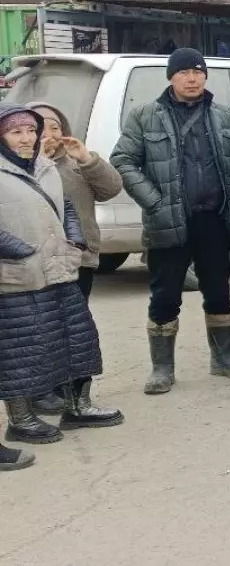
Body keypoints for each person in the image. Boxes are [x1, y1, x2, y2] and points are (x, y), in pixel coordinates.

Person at [111, 48, 230, 395]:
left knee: (219, 292)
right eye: (184, 72)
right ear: (170, 77)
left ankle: (225, 359)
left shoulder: (224, 117)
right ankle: (162, 368)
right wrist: (154, 201)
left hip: (215, 220)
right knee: (165, 296)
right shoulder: (145, 117)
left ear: (205, 76)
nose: (192, 78)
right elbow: (123, 160)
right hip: (168, 221)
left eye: (197, 71)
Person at [0, 104, 123, 470]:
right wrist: (20, 252)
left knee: (76, 339)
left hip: (60, 269)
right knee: (21, 352)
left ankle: (78, 407)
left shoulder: (45, 166)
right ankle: (20, 422)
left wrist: (74, 244)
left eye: (31, 131)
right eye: (16, 132)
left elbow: (65, 207)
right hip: (17, 277)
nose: (26, 138)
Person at [23, 102, 123, 415]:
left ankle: (77, 398)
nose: (48, 134)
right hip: (33, 265)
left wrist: (87, 158)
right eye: (40, 128)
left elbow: (111, 188)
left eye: (55, 127)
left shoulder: (76, 164)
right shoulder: (17, 169)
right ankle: (44, 394)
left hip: (78, 261)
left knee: (76, 330)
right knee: (40, 331)